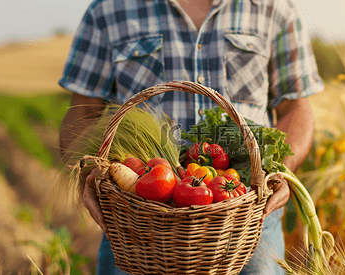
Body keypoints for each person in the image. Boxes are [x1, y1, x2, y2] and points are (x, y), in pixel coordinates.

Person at [59, 0, 324, 274]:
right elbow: (82, 112)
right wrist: (89, 169)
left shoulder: (274, 8)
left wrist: (281, 169)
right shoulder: (108, 10)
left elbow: (296, 107)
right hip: (138, 220)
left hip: (249, 215)